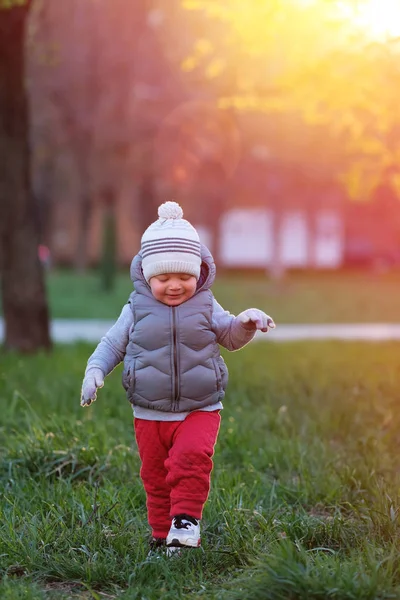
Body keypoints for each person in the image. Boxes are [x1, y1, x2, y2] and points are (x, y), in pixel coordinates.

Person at [80, 201, 275, 553]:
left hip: (200, 406)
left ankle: (186, 521)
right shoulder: (135, 308)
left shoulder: (206, 304)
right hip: (148, 412)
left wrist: (245, 322)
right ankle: (162, 536)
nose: (174, 286)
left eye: (184, 277)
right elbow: (112, 344)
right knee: (155, 477)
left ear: (198, 273)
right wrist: (95, 370)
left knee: (191, 457)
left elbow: (230, 336)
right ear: (147, 276)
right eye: (163, 278)